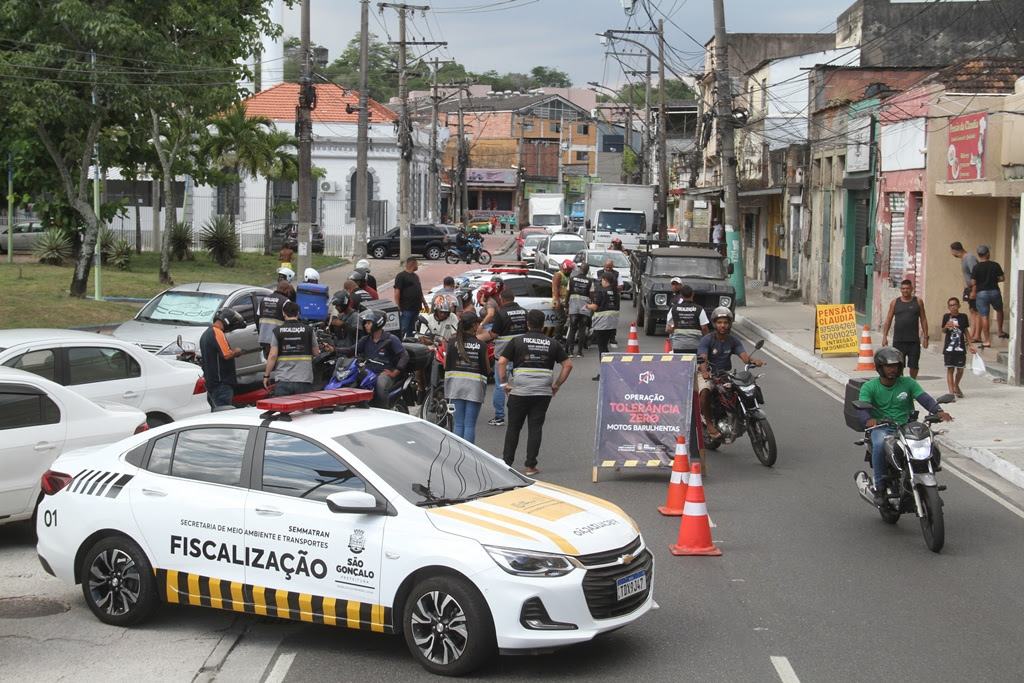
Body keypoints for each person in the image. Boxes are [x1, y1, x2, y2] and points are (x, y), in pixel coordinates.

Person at [857, 346, 952, 506]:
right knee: (879, 445)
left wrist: (938, 411)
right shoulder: (870, 387)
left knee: (929, 440)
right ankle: (879, 487)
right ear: (880, 368)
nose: (892, 369)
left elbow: (924, 398)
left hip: (907, 427)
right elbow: (862, 408)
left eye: (895, 366)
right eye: (888, 366)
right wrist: (868, 420)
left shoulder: (908, 383)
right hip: (883, 428)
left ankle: (931, 486)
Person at [499, 309, 573, 475]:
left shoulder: (516, 341)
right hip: (542, 392)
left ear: (527, 324)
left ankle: (506, 464)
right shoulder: (552, 343)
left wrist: (504, 384)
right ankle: (530, 465)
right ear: (543, 324)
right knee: (535, 427)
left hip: (520, 391)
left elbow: (502, 362)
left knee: (513, 427)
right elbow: (568, 365)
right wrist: (557, 385)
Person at [697, 307, 763, 439]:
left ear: (729, 324)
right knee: (705, 391)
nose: (722, 325)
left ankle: (745, 417)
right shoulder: (707, 340)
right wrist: (705, 372)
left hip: (726, 373)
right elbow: (702, 359)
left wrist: (753, 360)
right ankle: (709, 424)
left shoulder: (733, 340)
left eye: (725, 322)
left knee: (743, 390)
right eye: (720, 322)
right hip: (708, 374)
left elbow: (744, 357)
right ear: (715, 323)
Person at [327, 310, 410, 408]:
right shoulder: (366, 339)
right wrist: (333, 349)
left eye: (368, 323)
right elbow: (352, 350)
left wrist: (394, 373)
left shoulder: (391, 339)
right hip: (368, 371)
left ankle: (384, 410)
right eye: (365, 323)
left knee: (381, 385)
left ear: (377, 323)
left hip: (383, 373)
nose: (365, 325)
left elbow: (405, 356)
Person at [478, 288, 528, 426]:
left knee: (501, 386)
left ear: (502, 300)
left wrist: (484, 332)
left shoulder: (501, 314)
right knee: (522, 384)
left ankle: (499, 417)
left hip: (503, 356)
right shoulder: (524, 312)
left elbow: (494, 335)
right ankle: (523, 413)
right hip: (521, 354)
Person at [445, 311, 490, 443]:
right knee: (469, 425)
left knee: (458, 423)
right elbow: (487, 369)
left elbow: (445, 364)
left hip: (455, 386)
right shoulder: (481, 345)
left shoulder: (452, 342)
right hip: (474, 387)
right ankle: (469, 455)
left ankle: (458, 452)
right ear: (474, 325)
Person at [263, 301, 317, 397]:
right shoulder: (309, 330)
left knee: (282, 410)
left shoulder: (277, 331)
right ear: (298, 313)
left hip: (283, 379)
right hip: (304, 379)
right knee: (305, 411)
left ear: (283, 313)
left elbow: (272, 355)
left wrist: (266, 375)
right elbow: (316, 353)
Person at [882, 279, 929, 379]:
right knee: (899, 366)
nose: (905, 291)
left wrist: (926, 337)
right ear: (900, 290)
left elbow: (923, 320)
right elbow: (888, 320)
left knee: (914, 365)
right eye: (903, 289)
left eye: (907, 288)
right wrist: (884, 337)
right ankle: (902, 385)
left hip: (913, 341)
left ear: (912, 289)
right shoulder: (895, 302)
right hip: (899, 340)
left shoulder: (918, 302)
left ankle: (912, 383)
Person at [199, 309, 246, 409]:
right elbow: (226, 355)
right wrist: (236, 352)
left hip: (211, 382)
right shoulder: (217, 332)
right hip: (221, 384)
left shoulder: (205, 334)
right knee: (223, 412)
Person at [969, 245, 1007, 347]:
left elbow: (973, 282)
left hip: (981, 293)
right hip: (994, 291)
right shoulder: (995, 265)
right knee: (999, 310)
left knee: (984, 316)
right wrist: (994, 279)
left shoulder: (976, 267)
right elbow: (1002, 278)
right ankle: (1000, 331)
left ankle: (987, 340)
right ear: (987, 254)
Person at [941, 297, 976, 398]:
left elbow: (966, 331)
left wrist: (970, 345)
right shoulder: (946, 317)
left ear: (959, 306)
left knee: (960, 369)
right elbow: (943, 331)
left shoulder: (963, 317)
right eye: (951, 305)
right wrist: (946, 327)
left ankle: (956, 384)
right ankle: (951, 392)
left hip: (960, 347)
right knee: (950, 369)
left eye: (955, 305)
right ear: (948, 307)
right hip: (949, 348)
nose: (953, 307)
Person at [588, 271, 620, 380]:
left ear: (606, 280)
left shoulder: (602, 292)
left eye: (602, 280)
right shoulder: (615, 292)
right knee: (605, 347)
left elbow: (595, 307)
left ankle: (605, 373)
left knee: (602, 349)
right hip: (612, 323)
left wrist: (587, 305)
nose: (601, 282)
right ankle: (608, 371)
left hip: (602, 323)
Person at [666, 281, 710, 353]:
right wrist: (708, 342)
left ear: (681, 296)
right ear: (693, 294)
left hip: (678, 346)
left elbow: (668, 329)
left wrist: (676, 326)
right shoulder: (699, 309)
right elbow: (704, 328)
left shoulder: (673, 309)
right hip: (695, 346)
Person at [949, 241, 979, 337]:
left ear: (955, 250)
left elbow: (976, 274)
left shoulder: (969, 258)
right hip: (969, 287)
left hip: (974, 288)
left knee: (976, 311)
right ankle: (972, 334)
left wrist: (974, 290)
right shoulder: (963, 259)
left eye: (951, 251)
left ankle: (976, 335)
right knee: (972, 310)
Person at [258, 279, 292, 360]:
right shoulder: (285, 301)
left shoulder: (264, 299)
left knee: (268, 361)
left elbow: (257, 318)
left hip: (264, 337)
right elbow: (290, 321)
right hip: (278, 339)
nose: (289, 293)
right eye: (289, 291)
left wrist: (260, 333)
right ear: (285, 290)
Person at [394, 257, 426, 339]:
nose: (417, 266)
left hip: (415, 308)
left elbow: (419, 291)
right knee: (404, 328)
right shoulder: (401, 276)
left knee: (412, 329)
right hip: (406, 308)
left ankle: (410, 341)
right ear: (412, 264)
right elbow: (397, 291)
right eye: (417, 264)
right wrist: (397, 305)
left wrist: (424, 303)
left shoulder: (416, 277)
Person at [566, 262, 593, 358]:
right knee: (582, 330)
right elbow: (591, 296)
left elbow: (567, 294)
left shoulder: (572, 279)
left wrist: (566, 307)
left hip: (573, 307)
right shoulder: (590, 282)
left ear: (580, 269)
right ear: (587, 271)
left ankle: (570, 351)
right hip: (585, 308)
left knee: (572, 329)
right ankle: (579, 352)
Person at [595, 259, 623, 348]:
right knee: (600, 316)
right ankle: (597, 335)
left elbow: (621, 286)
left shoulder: (617, 274)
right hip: (602, 298)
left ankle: (612, 336)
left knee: (613, 317)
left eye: (610, 267)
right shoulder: (598, 273)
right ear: (604, 266)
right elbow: (595, 284)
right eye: (606, 267)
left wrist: (611, 288)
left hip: (613, 298)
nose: (608, 269)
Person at [550, 259, 574, 340]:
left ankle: (560, 337)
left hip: (564, 301)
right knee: (561, 320)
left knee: (563, 320)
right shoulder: (558, 275)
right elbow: (555, 289)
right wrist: (557, 301)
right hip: (559, 300)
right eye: (570, 269)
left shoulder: (567, 276)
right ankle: (557, 338)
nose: (571, 271)